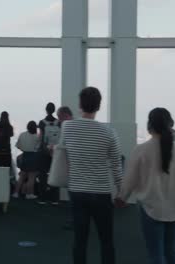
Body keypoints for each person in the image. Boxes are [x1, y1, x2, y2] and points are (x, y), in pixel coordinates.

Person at [60, 87, 123, 264]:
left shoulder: (68, 127)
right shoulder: (109, 132)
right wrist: (121, 192)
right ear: (99, 106)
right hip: (101, 192)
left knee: (80, 240)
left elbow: (63, 151)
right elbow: (117, 166)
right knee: (106, 240)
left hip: (77, 191)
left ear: (80, 105)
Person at [119, 108, 175, 264]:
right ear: (169, 124)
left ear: (150, 125)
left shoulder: (141, 150)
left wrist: (122, 197)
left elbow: (130, 179)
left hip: (151, 208)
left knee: (155, 254)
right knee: (171, 251)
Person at [37, 102, 60, 205]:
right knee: (55, 174)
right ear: (54, 110)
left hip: (44, 151)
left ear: (46, 110)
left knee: (43, 175)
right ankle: (54, 199)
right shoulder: (59, 123)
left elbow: (40, 138)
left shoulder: (42, 123)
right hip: (55, 151)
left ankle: (42, 198)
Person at [56, 106, 75, 230]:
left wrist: (55, 147)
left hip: (73, 167)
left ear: (64, 115)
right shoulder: (75, 125)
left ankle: (74, 220)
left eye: (59, 117)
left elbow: (66, 145)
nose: (59, 120)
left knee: (73, 196)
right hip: (76, 167)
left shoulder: (68, 126)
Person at [13, 121, 40, 199]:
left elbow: (18, 146)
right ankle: (29, 194)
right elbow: (38, 148)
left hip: (24, 156)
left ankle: (16, 193)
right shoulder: (37, 137)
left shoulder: (22, 134)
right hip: (33, 157)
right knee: (31, 177)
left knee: (22, 176)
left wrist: (24, 149)